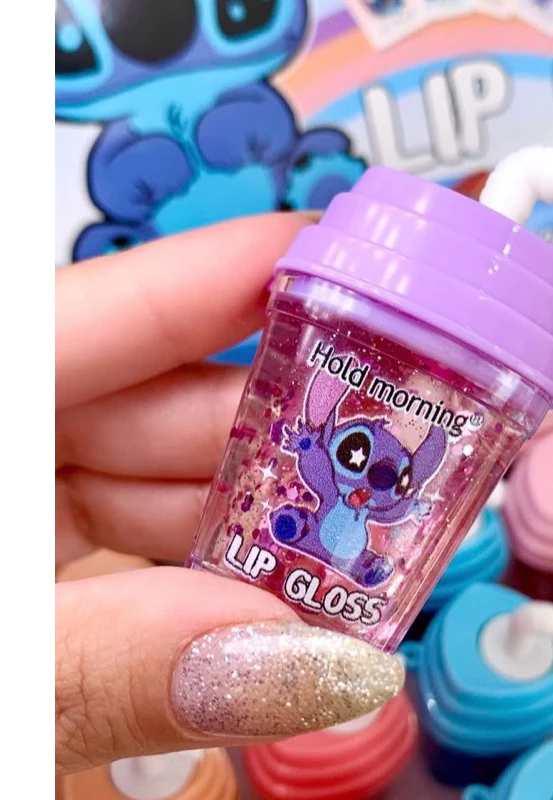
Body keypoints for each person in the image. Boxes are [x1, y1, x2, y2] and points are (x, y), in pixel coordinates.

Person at [55, 213, 405, 774]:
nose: (373, 479)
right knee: (283, 521)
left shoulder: (385, 497)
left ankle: (349, 563)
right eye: (362, 458)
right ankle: (294, 532)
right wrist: (310, 445)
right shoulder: (327, 459)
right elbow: (317, 468)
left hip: (338, 569)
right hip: (297, 542)